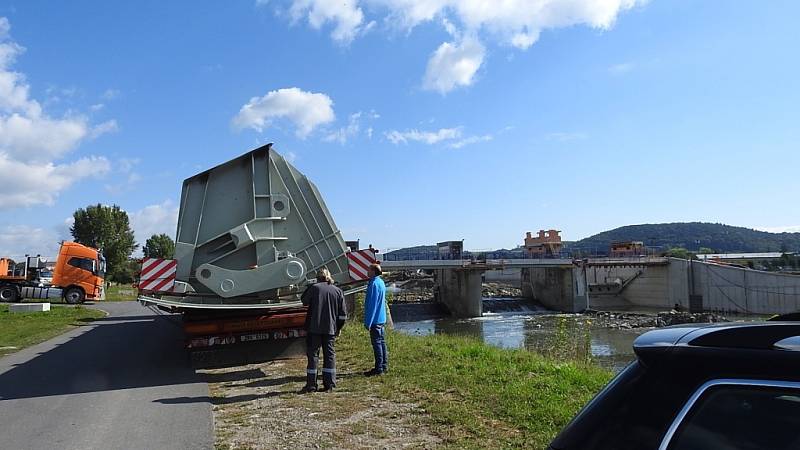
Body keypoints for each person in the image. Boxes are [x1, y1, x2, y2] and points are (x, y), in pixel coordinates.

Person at [300, 268, 347, 393]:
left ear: (317, 278)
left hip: (314, 328)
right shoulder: (338, 291)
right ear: (329, 276)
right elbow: (343, 315)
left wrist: (309, 286)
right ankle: (329, 384)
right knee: (330, 355)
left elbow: (303, 301)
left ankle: (311, 385)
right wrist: (338, 328)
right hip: (330, 329)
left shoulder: (314, 289)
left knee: (313, 356)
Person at [363, 263, 388, 376]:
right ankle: (383, 365)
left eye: (369, 269)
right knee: (382, 343)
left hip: (375, 319)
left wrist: (368, 321)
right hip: (381, 318)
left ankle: (379, 368)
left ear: (373, 271)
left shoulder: (373, 284)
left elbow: (372, 305)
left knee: (377, 343)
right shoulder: (381, 282)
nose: (367, 271)